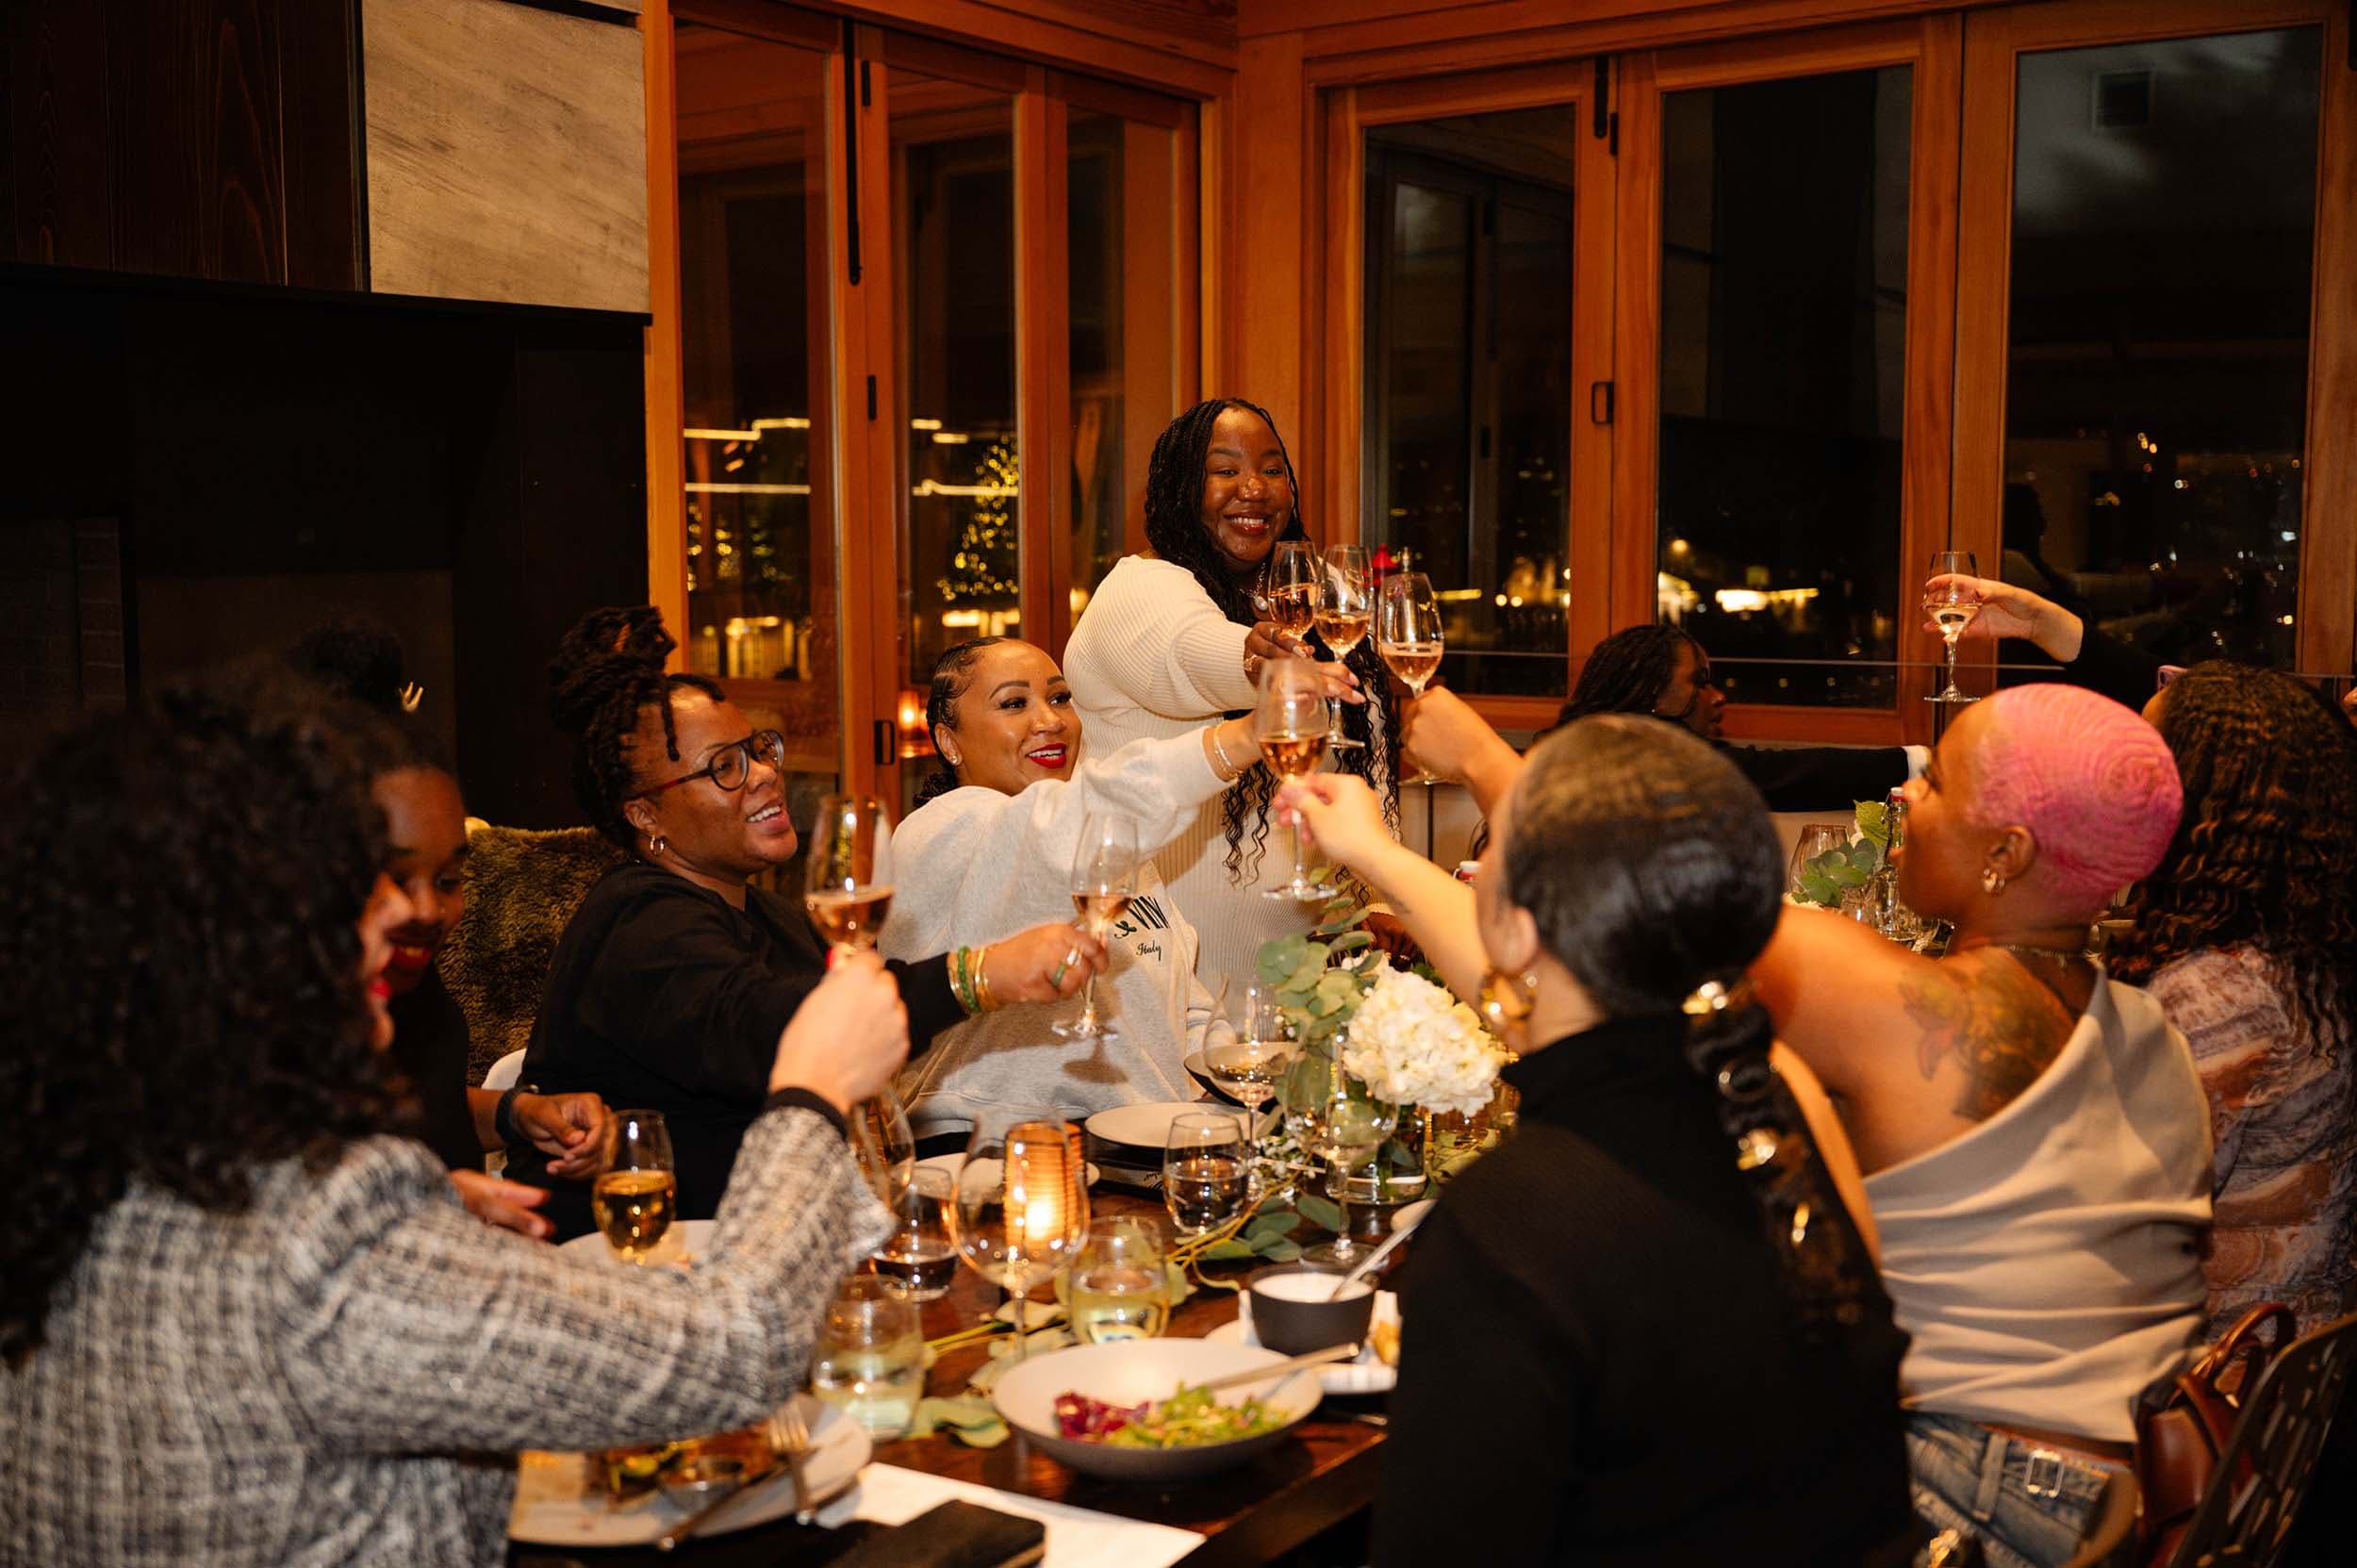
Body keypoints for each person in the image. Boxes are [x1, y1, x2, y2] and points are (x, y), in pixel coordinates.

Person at [0, 665, 910, 1565]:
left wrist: (424, 1215)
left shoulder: (78, 1177)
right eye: (346, 887)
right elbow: (732, 1351)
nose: (401, 910)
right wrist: (810, 1093)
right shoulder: (319, 1228)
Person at [1278, 724, 1913, 1567]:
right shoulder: (1774, 1093)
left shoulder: (1508, 1222)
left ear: (1514, 926)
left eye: (1493, 847)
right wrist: (1376, 852)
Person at [1745, 683, 2208, 1568]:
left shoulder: (1904, 1004)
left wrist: (1477, 773)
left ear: (2007, 852)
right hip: (2130, 1499)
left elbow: (1630, 910)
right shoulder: (2157, 1033)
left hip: (1972, 1497)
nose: (1905, 793)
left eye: (1938, 782)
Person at [513, 607, 1104, 1238]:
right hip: (622, 1270)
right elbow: (775, 1026)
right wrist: (980, 972)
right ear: (646, 815)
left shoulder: (765, 914)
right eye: (725, 767)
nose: (766, 775)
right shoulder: (634, 921)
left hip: (758, 1249)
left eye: (758, 750)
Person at [289, 623, 611, 1238]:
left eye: (448, 879)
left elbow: (422, 1113)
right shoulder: (279, 1005)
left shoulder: (406, 985)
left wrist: (519, 1112)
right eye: (394, 875)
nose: (428, 909)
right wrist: (421, 1204)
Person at [1060, 397, 1384, 988]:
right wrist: (1257, 664)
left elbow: (1367, 750)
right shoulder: (1140, 588)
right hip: (1177, 972)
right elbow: (1190, 651)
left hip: (1319, 957)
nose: (1254, 488)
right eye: (1226, 470)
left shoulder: (1318, 588)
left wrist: (1374, 898)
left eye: (1272, 467)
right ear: (1184, 486)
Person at [883, 637, 1257, 1138]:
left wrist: (1214, 1080)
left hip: (1147, 1140)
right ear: (949, 741)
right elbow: (1045, 835)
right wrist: (1240, 739)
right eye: (1014, 704)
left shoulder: (1106, 846)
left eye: (1059, 698)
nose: (1050, 720)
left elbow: (1179, 993)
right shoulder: (942, 832)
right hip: (1002, 1150)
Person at [2106, 663, 2357, 1339]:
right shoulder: (2300, 950)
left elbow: (2125, 1223)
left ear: (2202, 792)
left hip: (2213, 1382)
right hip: (2287, 1353)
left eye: (2139, 759)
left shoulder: (2221, 993)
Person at [1549, 623, 1923, 811]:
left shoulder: (1567, 750)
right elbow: (1788, 773)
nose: (1718, 697)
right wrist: (1925, 762)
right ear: (1654, 698)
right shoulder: (1653, 763)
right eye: (1700, 682)